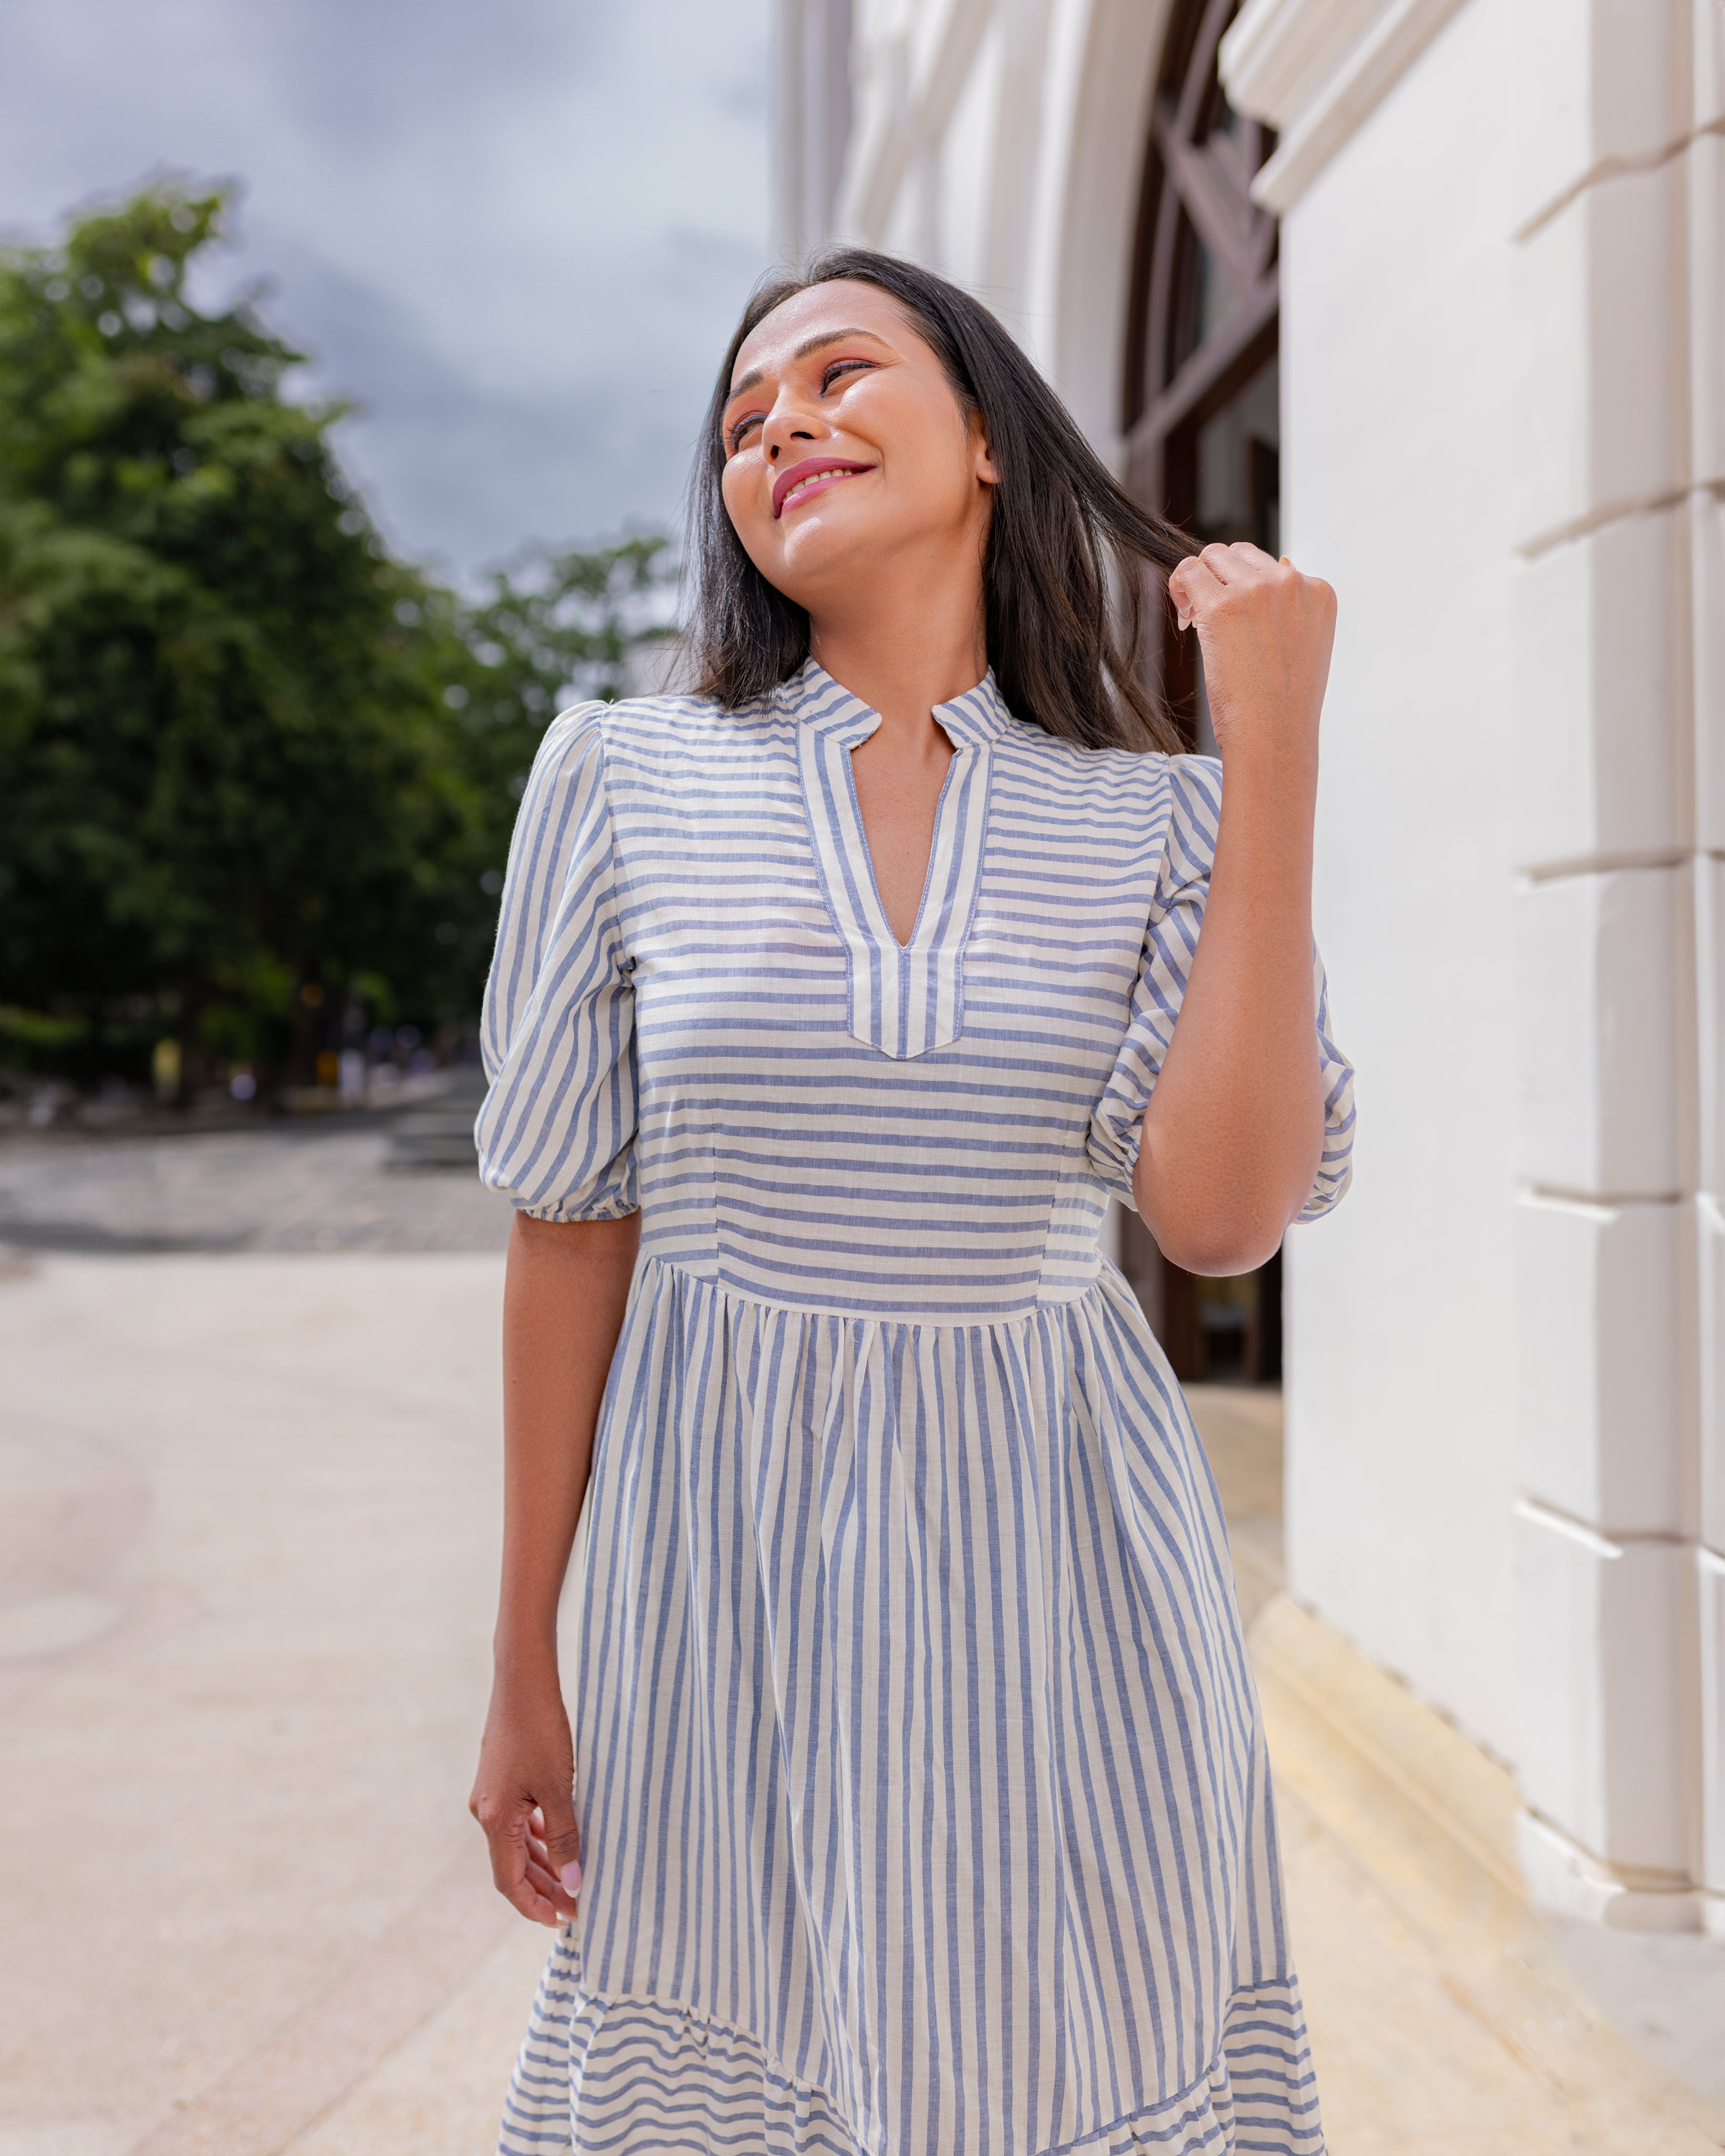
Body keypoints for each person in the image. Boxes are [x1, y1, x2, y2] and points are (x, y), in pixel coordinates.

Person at [469, 246, 1354, 2156]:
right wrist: (523, 1658)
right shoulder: (619, 779)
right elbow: (567, 1232)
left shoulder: (1155, 816)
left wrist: (1265, 752)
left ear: (987, 449)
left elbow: (1218, 1217)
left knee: (1056, 2063)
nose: (780, 416)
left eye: (840, 372)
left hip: (1067, 1584)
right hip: (717, 1576)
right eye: (739, 417)